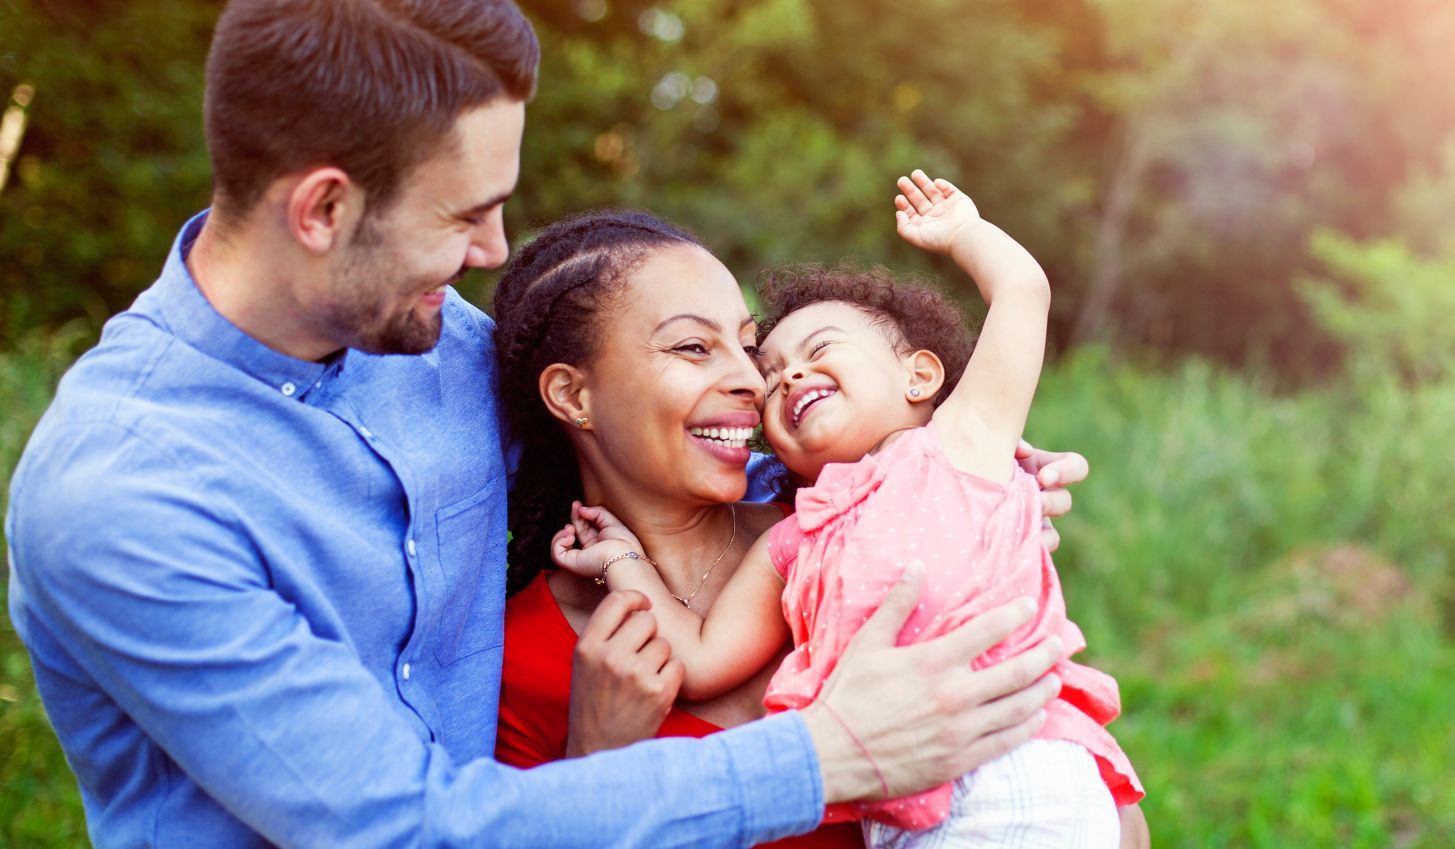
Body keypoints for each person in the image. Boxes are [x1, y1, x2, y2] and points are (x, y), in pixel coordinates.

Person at [6, 3, 1073, 847]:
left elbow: (671, 447)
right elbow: (400, 828)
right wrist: (827, 755)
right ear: (323, 210)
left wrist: (931, 476)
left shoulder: (440, 349)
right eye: (463, 214)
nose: (490, 250)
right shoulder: (122, 499)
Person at [491, 209, 1146, 848]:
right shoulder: (523, 661)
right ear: (573, 396)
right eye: (693, 346)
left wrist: (967, 455)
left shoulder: (844, 529)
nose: (752, 380)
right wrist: (598, 762)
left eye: (747, 348)